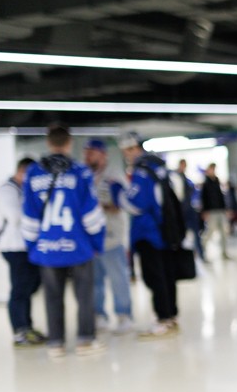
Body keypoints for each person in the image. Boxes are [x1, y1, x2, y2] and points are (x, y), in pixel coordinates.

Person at [21, 125, 106, 359]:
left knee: (52, 296)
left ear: (49, 143)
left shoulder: (33, 173)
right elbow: (92, 214)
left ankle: (56, 343)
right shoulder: (80, 172)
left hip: (47, 247)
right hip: (78, 246)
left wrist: (32, 245)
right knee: (84, 296)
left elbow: (28, 215)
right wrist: (97, 243)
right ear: (69, 143)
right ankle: (85, 340)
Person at [113, 132, 182, 339]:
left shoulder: (142, 171)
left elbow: (136, 203)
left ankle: (163, 320)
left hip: (148, 233)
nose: (126, 155)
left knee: (155, 276)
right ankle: (171, 317)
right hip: (166, 231)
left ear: (136, 148)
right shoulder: (159, 167)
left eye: (128, 150)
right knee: (167, 275)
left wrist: (117, 192)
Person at [0, 156, 46, 347]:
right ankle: (20, 331)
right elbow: (16, 217)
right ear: (22, 171)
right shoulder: (6, 191)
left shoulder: (21, 189)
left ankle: (27, 327)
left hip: (25, 248)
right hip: (14, 248)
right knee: (20, 290)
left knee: (28, 288)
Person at [83, 138, 135, 333]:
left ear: (103, 155)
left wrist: (101, 207)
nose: (87, 156)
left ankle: (124, 314)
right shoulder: (84, 176)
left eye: (91, 153)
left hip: (111, 237)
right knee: (94, 281)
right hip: (90, 239)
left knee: (118, 278)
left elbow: (123, 203)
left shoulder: (114, 176)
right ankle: (99, 315)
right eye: (86, 152)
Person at [200, 162, 230, 259]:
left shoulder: (216, 181)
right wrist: (205, 211)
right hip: (211, 211)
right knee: (210, 232)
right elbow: (204, 198)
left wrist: (225, 209)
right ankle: (202, 250)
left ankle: (224, 253)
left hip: (220, 210)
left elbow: (220, 196)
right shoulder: (205, 183)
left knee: (223, 232)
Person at [177, 159, 205, 262]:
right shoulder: (176, 178)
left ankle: (200, 254)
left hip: (189, 210)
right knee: (183, 235)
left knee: (196, 234)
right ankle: (185, 258)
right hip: (182, 212)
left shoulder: (186, 179)